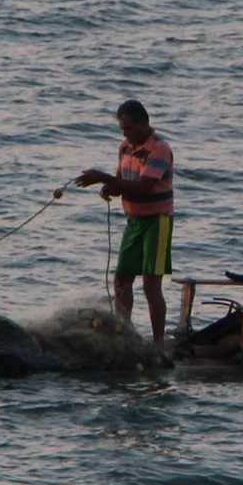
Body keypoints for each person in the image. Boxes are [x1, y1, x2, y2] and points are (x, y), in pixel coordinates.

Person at [74, 100, 175, 346]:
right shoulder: (125, 147)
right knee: (122, 278)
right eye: (122, 129)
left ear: (143, 125)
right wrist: (110, 187)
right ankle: (124, 334)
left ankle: (158, 342)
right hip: (134, 220)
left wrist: (101, 178)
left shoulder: (159, 149)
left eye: (128, 129)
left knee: (151, 284)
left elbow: (144, 186)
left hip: (157, 220)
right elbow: (123, 181)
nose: (124, 134)